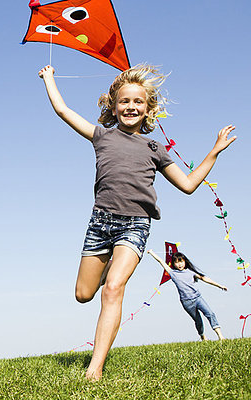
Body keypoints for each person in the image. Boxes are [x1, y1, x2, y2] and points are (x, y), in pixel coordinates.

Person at [38, 64, 236, 381]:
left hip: (135, 224)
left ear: (148, 110)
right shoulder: (101, 136)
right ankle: (106, 270)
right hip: (100, 224)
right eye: (125, 101)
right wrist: (49, 78)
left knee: (113, 289)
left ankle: (95, 368)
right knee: (84, 294)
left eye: (138, 102)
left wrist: (214, 151)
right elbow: (63, 110)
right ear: (113, 107)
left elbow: (187, 185)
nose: (131, 107)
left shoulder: (155, 149)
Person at [147, 250, 227, 340]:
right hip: (187, 302)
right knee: (198, 321)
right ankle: (202, 336)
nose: (179, 264)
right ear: (173, 264)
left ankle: (220, 336)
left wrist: (219, 285)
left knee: (210, 313)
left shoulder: (191, 272)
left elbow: (204, 278)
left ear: (185, 261)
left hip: (197, 298)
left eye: (181, 261)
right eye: (176, 262)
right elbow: (161, 261)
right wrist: (151, 253)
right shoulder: (172, 273)